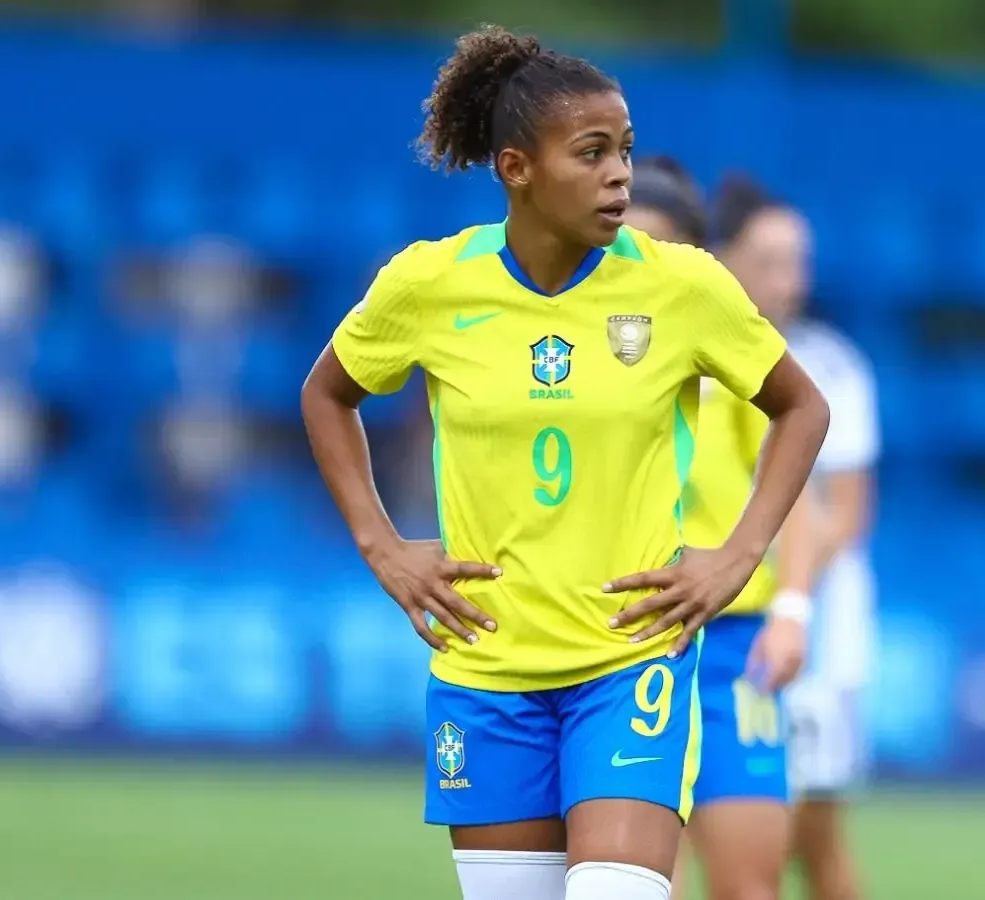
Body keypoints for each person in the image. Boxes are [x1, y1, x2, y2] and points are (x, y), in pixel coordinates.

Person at [299, 27, 831, 900]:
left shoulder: (683, 286)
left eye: (624, 149)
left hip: (629, 661)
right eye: (592, 153)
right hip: (486, 668)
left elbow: (802, 406)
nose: (620, 174)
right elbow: (327, 394)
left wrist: (737, 558)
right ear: (516, 168)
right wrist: (381, 545)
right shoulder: (430, 285)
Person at [626, 158, 809, 900]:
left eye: (658, 246)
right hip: (629, 642)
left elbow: (795, 494)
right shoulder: (564, 364)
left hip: (734, 647)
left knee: (749, 885)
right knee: (639, 883)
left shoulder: (730, 355)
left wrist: (792, 609)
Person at [710, 175, 881, 900]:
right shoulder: (690, 355)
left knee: (812, 835)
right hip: (720, 625)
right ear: (722, 258)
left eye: (798, 262)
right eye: (772, 261)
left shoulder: (832, 366)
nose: (792, 280)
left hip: (811, 628)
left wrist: (779, 586)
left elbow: (846, 513)